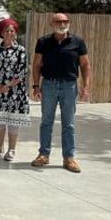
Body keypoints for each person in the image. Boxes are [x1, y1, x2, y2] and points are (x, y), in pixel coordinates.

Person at [30, 13, 90, 173]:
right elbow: (36, 64)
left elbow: (84, 65)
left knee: (68, 123)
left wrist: (86, 86)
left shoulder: (78, 42)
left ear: (68, 23)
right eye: (58, 21)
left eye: (65, 21)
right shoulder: (43, 42)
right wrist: (36, 86)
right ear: (52, 23)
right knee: (46, 121)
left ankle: (68, 158)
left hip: (69, 86)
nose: (62, 23)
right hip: (48, 85)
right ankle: (43, 155)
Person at [0, 18, 30, 162]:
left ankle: (11, 149)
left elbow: (22, 71)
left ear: (15, 33)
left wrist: (7, 86)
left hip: (15, 92)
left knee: (13, 122)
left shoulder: (20, 50)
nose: (9, 33)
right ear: (1, 33)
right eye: (6, 31)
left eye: (12, 31)